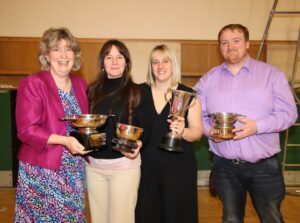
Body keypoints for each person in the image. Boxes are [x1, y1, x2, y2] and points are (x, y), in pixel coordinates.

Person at [195, 24, 298, 223]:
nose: (230, 46)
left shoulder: (272, 75)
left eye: (236, 41)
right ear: (220, 47)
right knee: (231, 219)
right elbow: (197, 115)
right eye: (224, 42)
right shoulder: (208, 80)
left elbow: (289, 114)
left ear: (247, 44)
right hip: (224, 167)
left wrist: (257, 126)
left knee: (272, 219)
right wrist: (210, 131)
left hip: (264, 167)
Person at [14, 27, 90, 222]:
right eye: (57, 49)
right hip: (41, 171)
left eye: (69, 49)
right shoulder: (33, 83)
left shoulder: (81, 85)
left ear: (75, 54)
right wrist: (64, 141)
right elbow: (26, 130)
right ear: (46, 55)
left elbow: (83, 124)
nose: (63, 55)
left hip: (73, 170)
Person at [135, 44, 203, 223]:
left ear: (174, 64)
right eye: (155, 62)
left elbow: (197, 131)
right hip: (145, 168)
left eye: (165, 61)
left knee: (178, 215)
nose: (160, 66)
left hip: (178, 168)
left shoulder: (188, 94)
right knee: (146, 214)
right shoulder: (138, 92)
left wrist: (183, 131)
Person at [87, 39, 151, 223]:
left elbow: (147, 129)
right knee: (99, 219)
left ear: (126, 63)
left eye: (119, 57)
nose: (114, 62)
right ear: (102, 63)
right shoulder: (90, 90)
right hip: (94, 168)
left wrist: (139, 144)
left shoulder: (139, 91)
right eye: (109, 57)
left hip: (124, 167)